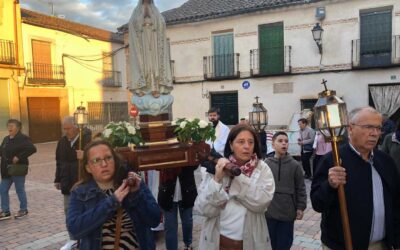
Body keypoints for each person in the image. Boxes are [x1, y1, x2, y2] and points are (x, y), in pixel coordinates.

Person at [311, 107, 400, 249]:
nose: (375, 133)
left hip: (382, 245)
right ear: (350, 129)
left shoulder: (386, 161)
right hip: (342, 246)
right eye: (368, 127)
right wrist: (330, 185)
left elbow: (396, 203)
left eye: (378, 128)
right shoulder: (333, 160)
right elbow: (317, 203)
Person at [66, 140, 161, 249]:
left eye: (108, 158)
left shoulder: (132, 182)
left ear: (115, 160)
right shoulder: (80, 192)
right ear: (88, 168)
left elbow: (154, 220)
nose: (104, 164)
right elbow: (74, 229)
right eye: (97, 160)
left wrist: (136, 194)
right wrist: (112, 202)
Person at [195, 124, 275, 250]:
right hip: (217, 242)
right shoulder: (218, 167)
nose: (246, 146)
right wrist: (216, 180)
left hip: (251, 243)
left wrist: (236, 175)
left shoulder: (262, 169)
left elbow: (262, 202)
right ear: (231, 145)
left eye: (250, 142)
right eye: (241, 142)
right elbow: (203, 209)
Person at [265, 131, 307, 250]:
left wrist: (300, 207)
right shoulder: (266, 164)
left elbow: (301, 187)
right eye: (280, 141)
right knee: (269, 244)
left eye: (286, 141)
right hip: (269, 212)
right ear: (273, 144)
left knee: (284, 245)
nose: (284, 144)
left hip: (287, 213)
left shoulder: (295, 165)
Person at [54, 116, 91, 250]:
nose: (66, 131)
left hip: (82, 181)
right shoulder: (62, 142)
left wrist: (85, 155)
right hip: (67, 182)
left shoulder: (86, 139)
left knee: (86, 210)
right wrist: (57, 178)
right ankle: (73, 239)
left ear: (76, 127)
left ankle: (87, 237)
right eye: (64, 129)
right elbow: (59, 162)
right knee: (68, 211)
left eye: (68, 128)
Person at [128, 0, 173, 98]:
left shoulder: (155, 10)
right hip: (142, 42)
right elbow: (132, 24)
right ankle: (142, 88)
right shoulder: (136, 11)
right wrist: (143, 15)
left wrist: (152, 17)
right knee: (144, 67)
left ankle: (155, 88)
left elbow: (162, 23)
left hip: (154, 42)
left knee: (154, 66)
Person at [0, 119, 36, 220]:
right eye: (8, 125)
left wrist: (19, 157)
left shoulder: (23, 138)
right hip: (6, 170)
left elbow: (32, 148)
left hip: (17, 169)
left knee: (19, 190)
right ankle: (6, 211)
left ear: (18, 128)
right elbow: (1, 151)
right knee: (2, 189)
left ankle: (23, 209)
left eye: (12, 125)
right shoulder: (6, 139)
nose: (9, 127)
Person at [157, 166, 197, 250]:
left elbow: (195, 164)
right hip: (167, 192)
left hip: (187, 190)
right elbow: (157, 164)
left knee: (187, 222)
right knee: (170, 227)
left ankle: (188, 245)